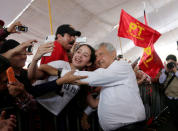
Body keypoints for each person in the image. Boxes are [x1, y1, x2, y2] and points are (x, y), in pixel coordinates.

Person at [58, 42, 146, 131]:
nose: (98, 59)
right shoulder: (108, 76)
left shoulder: (121, 66)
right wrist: (85, 115)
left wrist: (58, 73)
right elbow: (99, 101)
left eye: (101, 54)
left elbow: (92, 77)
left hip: (130, 127)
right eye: (96, 57)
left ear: (113, 54)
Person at [159, 54, 178, 129]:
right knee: (174, 116)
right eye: (169, 63)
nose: (170, 65)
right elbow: (161, 81)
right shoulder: (165, 70)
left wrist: (175, 70)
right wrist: (166, 71)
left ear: (176, 62)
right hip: (169, 98)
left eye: (172, 63)